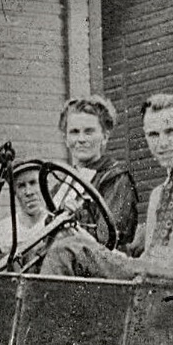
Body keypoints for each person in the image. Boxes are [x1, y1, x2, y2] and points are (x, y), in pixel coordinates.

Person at [40, 93, 173, 279]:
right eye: (153, 135)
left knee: (67, 250)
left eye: (171, 131)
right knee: (60, 249)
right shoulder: (159, 193)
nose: (162, 143)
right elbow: (151, 253)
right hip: (154, 279)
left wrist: (140, 266)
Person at [57, 95, 140, 254]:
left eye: (89, 132)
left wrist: (75, 220)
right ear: (66, 139)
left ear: (105, 137)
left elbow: (107, 241)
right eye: (74, 132)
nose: (81, 139)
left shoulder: (116, 179)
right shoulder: (62, 185)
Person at [0, 162, 53, 267]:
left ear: (44, 185)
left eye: (33, 183)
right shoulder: (2, 228)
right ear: (14, 192)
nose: (28, 192)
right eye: (21, 186)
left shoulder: (56, 223)